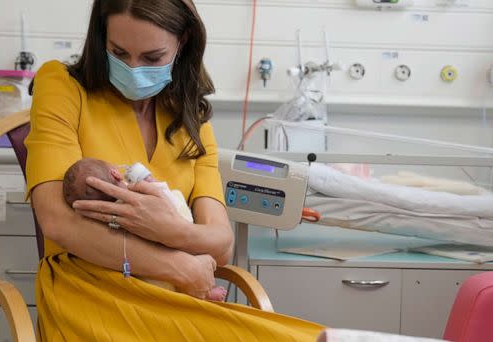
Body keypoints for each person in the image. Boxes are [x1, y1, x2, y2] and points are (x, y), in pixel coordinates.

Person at [26, 0, 325, 339]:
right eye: (119, 53)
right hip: (90, 291)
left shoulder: (191, 118)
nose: (134, 69)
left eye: (152, 58)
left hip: (178, 294)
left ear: (183, 42)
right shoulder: (62, 85)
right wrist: (178, 265)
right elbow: (56, 220)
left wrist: (165, 228)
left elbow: (221, 244)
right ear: (101, 39)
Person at [62, 157, 227, 301]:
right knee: (174, 198)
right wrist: (150, 181)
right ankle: (206, 294)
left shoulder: (99, 221)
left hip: (143, 281)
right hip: (177, 259)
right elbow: (165, 199)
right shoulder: (140, 193)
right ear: (115, 173)